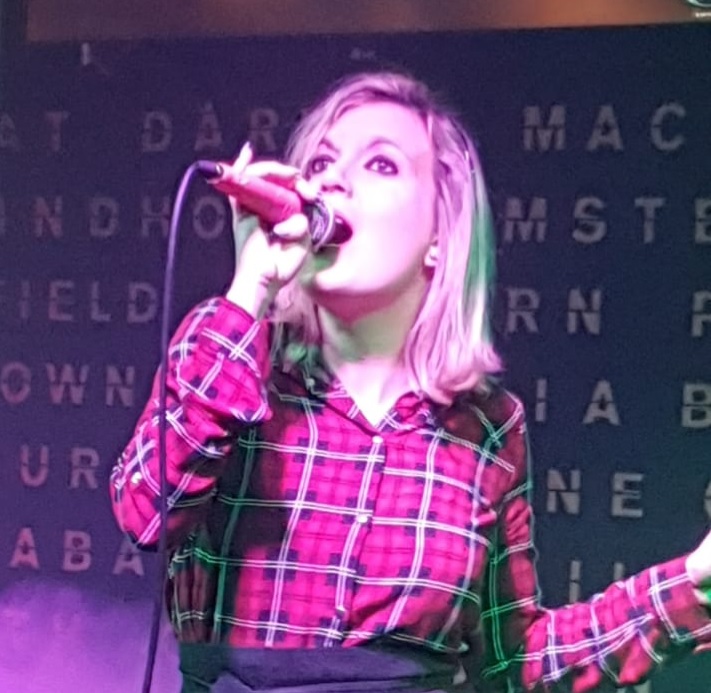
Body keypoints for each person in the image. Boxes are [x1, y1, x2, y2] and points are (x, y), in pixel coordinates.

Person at [110, 71, 711, 692]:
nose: (332, 181)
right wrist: (250, 290)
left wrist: (694, 586)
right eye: (320, 162)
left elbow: (512, 662)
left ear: (439, 238)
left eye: (381, 164)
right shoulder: (229, 349)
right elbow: (146, 512)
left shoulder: (486, 426)